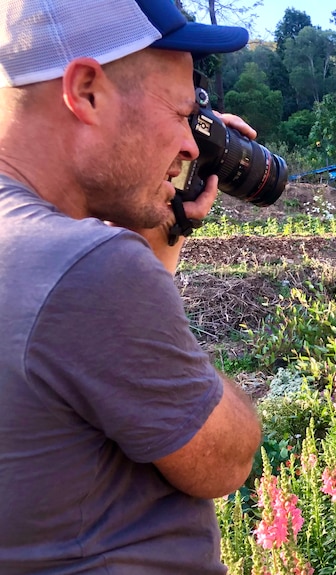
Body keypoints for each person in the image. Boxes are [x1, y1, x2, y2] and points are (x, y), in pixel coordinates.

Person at [0, 1, 262, 573]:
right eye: (182, 113)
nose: (193, 146)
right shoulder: (86, 267)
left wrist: (164, 231)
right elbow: (226, 459)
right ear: (87, 91)